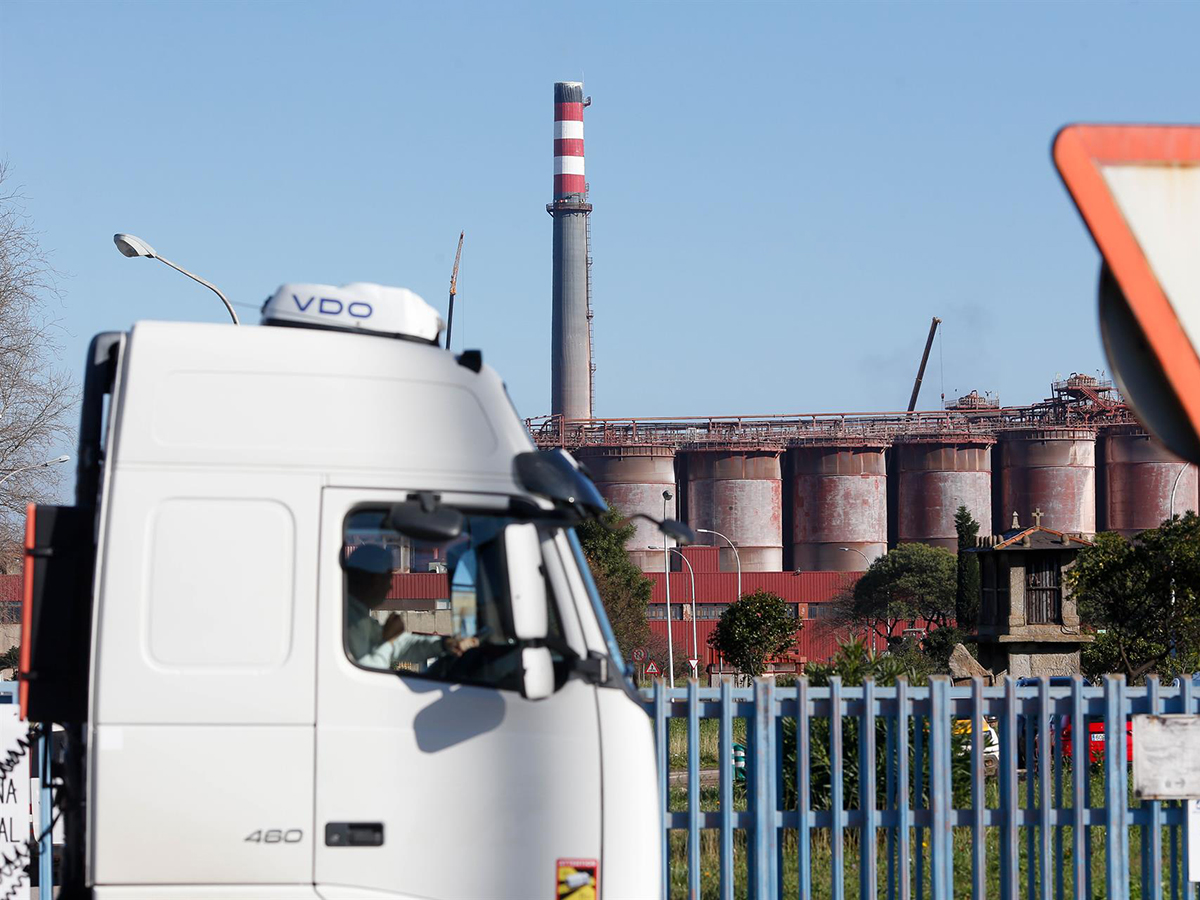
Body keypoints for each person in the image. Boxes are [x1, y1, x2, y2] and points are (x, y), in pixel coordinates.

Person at [343, 544, 477, 670]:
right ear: (375, 580)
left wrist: (444, 644)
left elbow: (401, 645)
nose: (390, 586)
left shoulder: (360, 617)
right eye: (388, 578)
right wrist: (388, 641)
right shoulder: (349, 621)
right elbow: (369, 669)